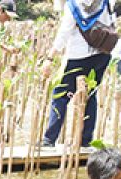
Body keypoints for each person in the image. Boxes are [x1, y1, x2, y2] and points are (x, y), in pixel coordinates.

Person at [41, 0, 117, 149]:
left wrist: (50, 57)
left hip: (78, 55)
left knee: (61, 95)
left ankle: (49, 139)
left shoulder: (73, 5)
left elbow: (64, 31)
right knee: (90, 95)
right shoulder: (106, 2)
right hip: (103, 54)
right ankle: (86, 140)